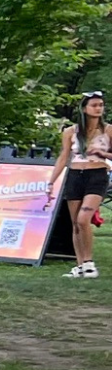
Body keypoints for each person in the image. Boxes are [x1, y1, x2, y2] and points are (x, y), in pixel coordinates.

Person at [50, 90, 109, 279]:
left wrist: (103, 155)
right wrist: (51, 181)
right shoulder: (70, 132)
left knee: (84, 219)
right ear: (84, 109)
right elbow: (63, 157)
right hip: (75, 174)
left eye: (101, 105)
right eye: (94, 105)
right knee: (76, 223)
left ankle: (89, 262)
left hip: (97, 174)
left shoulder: (108, 130)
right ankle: (80, 265)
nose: (98, 108)